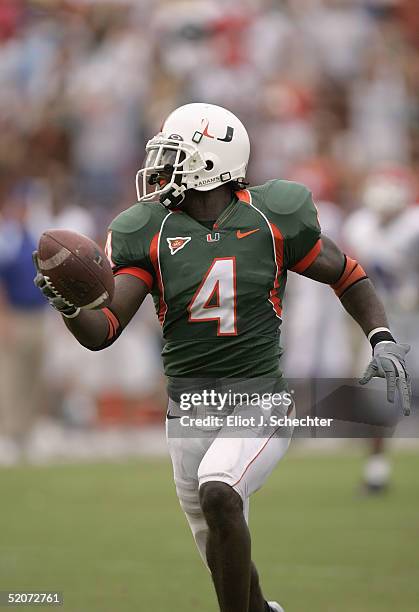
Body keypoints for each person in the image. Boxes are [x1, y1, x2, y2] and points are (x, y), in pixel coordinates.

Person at [33, 103, 411, 612]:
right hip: (188, 414)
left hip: (261, 402)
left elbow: (345, 273)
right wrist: (71, 306)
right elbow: (103, 331)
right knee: (225, 554)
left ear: (210, 162)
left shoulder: (270, 216)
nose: (159, 170)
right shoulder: (150, 229)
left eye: (172, 157)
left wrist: (381, 337)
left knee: (220, 492)